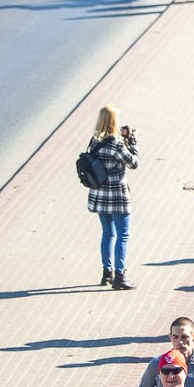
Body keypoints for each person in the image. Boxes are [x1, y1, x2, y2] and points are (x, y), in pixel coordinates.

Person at [81, 104, 139, 288]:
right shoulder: (116, 143)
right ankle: (120, 276)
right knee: (123, 235)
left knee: (107, 233)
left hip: (99, 194)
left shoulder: (94, 141)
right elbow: (133, 162)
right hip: (117, 196)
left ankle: (107, 273)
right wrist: (132, 141)